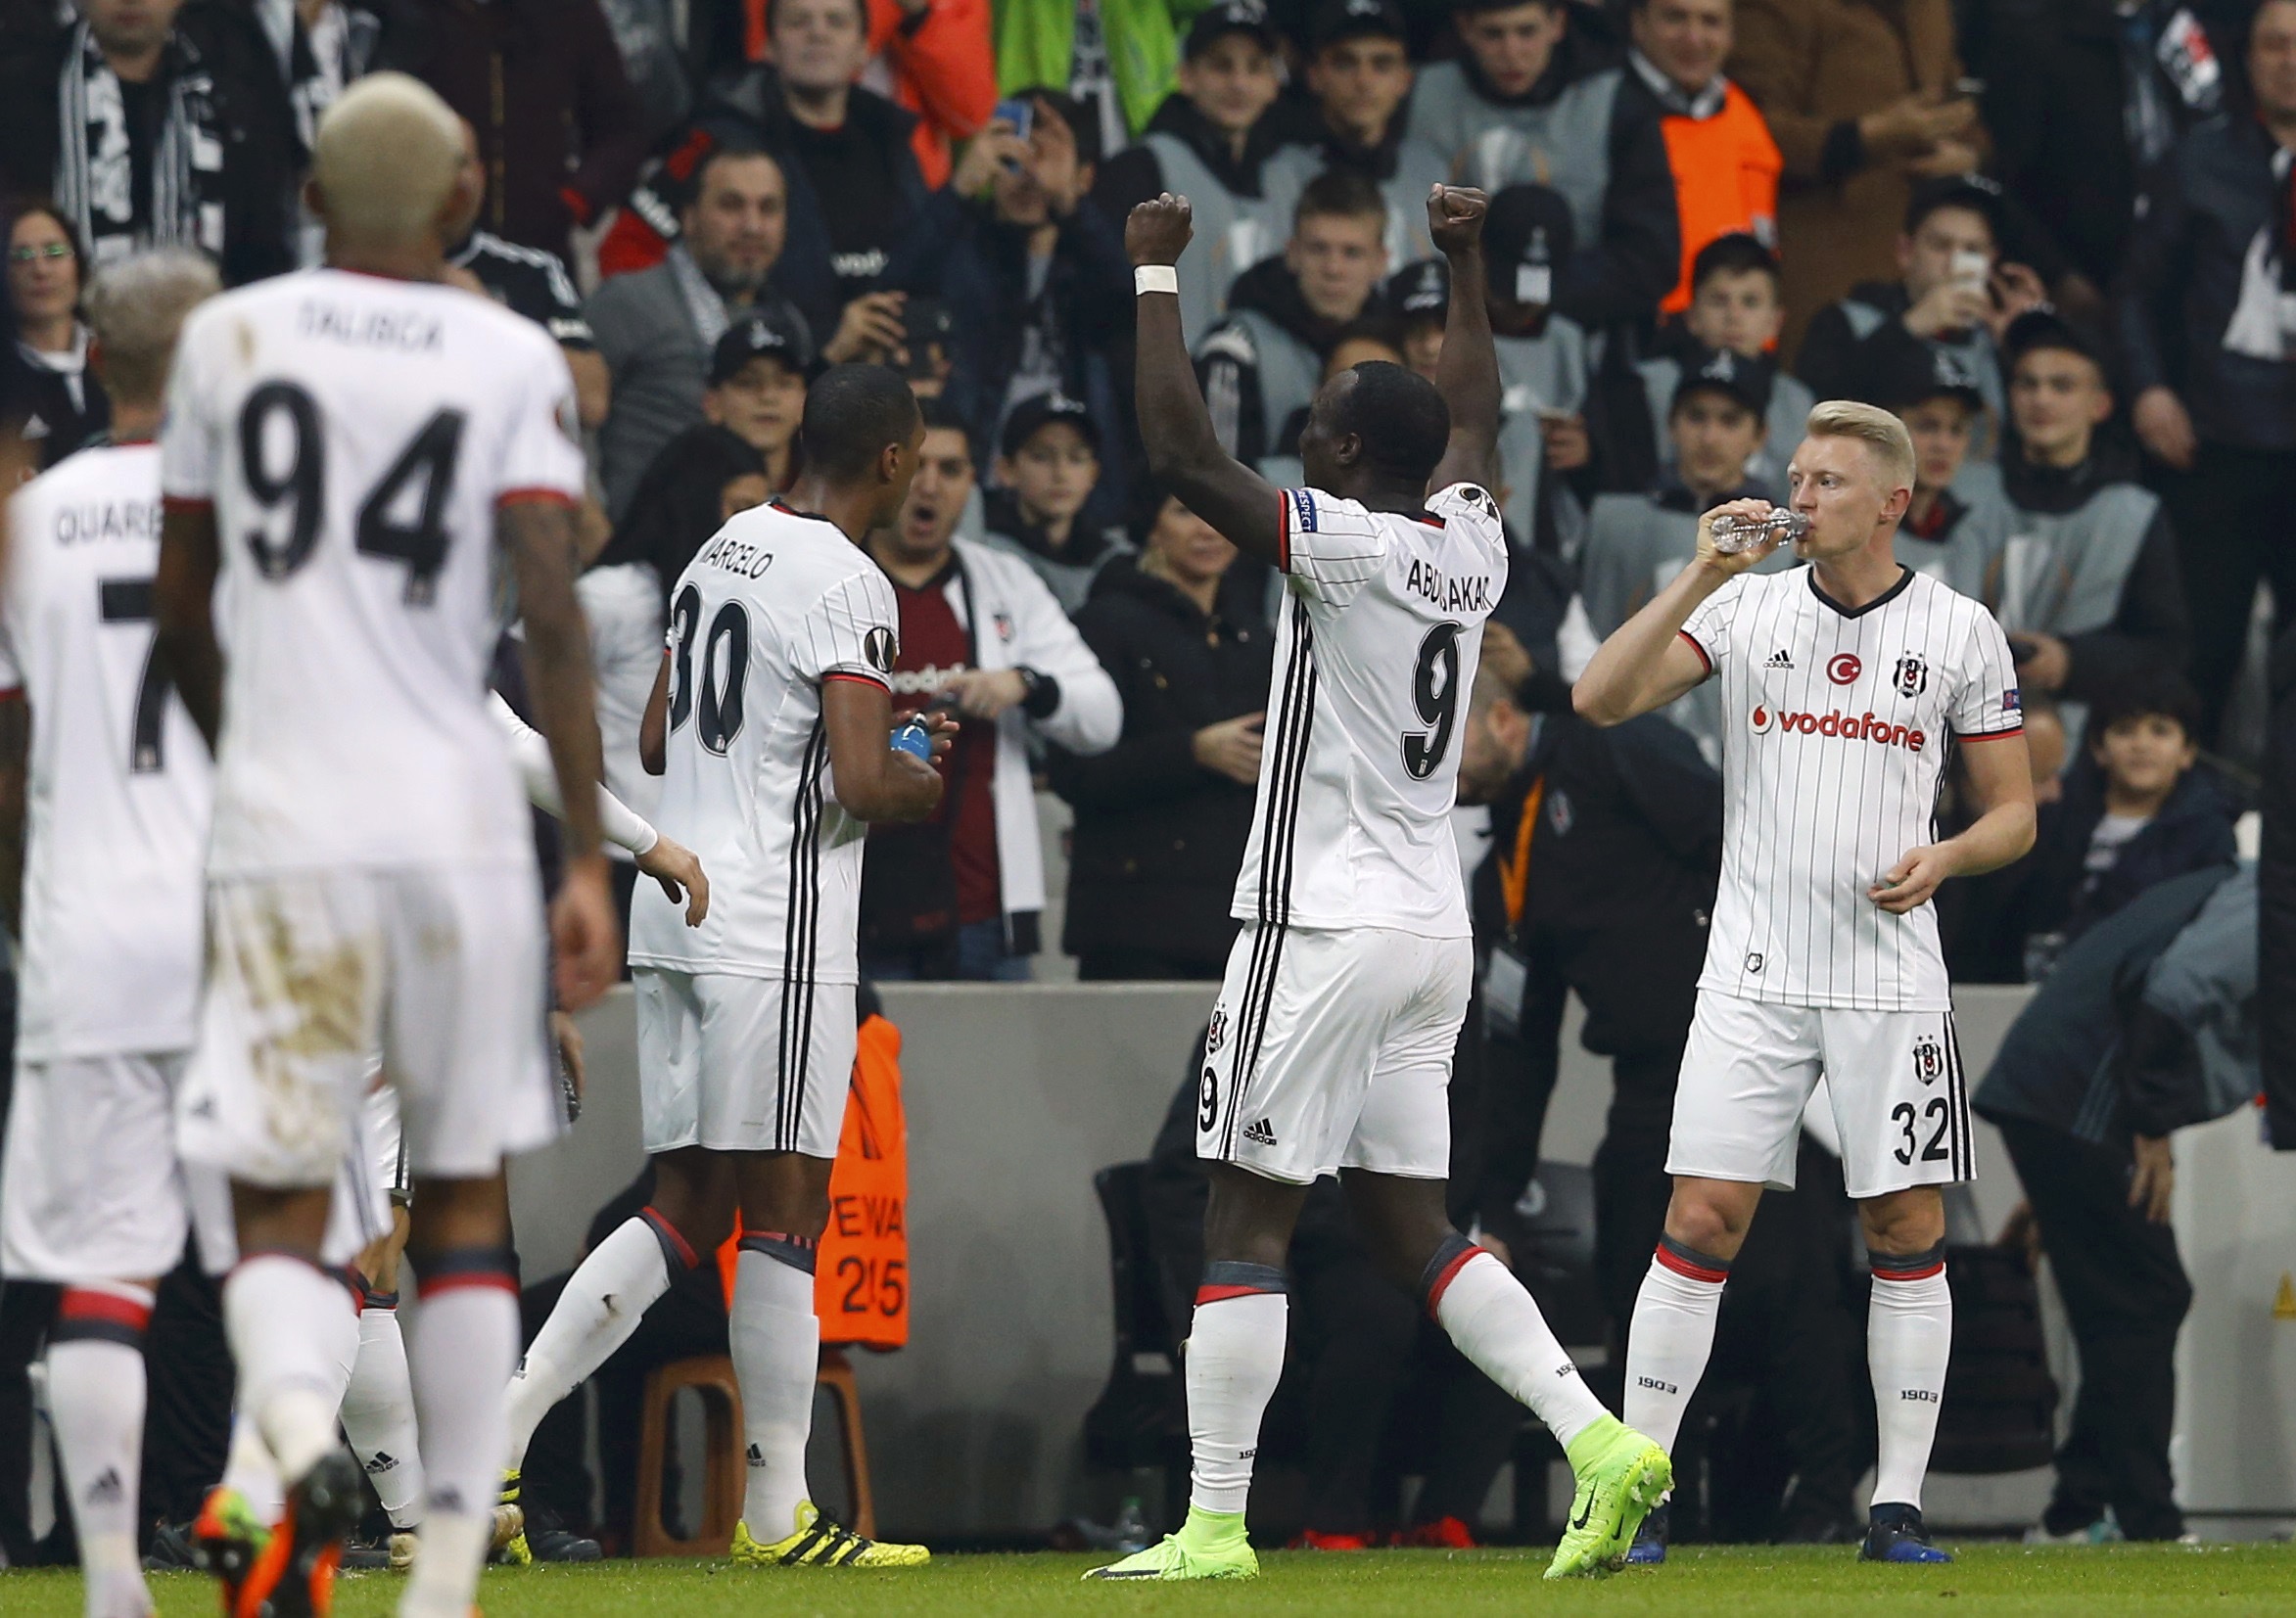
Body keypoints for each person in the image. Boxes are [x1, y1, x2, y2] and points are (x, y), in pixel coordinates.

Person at [1094, 180, 1669, 1584]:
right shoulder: (1471, 545)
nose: (1296, 438)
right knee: (1414, 1223)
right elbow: (1470, 414)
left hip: (1321, 918)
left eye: (1312, 428)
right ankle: (1601, 1443)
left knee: (1245, 1206)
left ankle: (1213, 1524)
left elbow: (1177, 451)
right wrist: (1463, 265)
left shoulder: (1342, 546)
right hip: (1430, 927)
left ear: (1345, 451)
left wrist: (1153, 278)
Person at [151, 74, 621, 1618]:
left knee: (295, 1203)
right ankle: (444, 1572)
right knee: (464, 1203)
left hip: (286, 821)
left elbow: (184, 610)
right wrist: (577, 860)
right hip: (442, 821)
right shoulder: (501, 352)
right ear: (457, 203)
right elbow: (550, 611)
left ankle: (270, 1466)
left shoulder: (227, 342)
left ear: (309, 202)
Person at [1571, 400, 2038, 1563]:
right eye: (1795, 474)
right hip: (1751, 971)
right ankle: (1637, 1489)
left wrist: (1946, 855)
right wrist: (1693, 573)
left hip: (1890, 979)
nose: (1798, 494)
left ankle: (1896, 1508)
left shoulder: (1961, 630)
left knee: (1904, 1224)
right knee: (1699, 1217)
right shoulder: (1743, 608)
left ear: (1892, 500)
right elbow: (1598, 698)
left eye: (1827, 479)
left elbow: (2015, 815)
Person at [500, 362, 947, 1571]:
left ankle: (503, 1428)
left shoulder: (719, 549)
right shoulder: (852, 582)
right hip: (778, 936)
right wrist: (917, 765)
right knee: (785, 1215)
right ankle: (777, 1519)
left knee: (686, 1200)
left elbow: (652, 733)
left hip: (678, 914)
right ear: (896, 462)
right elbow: (857, 786)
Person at [0, 249, 215, 1618]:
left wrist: (32, 912)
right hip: (245, 930)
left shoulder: (33, 519)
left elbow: (9, 754)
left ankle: (112, 1578)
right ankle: (285, 1549)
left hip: (85, 930)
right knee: (289, 1253)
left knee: (101, 1262)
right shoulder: (268, 521)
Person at [1975, 862, 2255, 1544]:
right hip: (2076, 1097)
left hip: (2056, 1097)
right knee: (2147, 1296)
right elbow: (2168, 993)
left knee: (2126, 1305)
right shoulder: (2274, 900)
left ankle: (2077, 1507)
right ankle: (2144, 1519)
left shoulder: (2248, 886)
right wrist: (2151, 1124)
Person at [859, 401, 1121, 981]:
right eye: (915, 466)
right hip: (852, 902)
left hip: (979, 905)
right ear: (883, 471)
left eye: (951, 470)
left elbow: (1103, 717)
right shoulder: (834, 576)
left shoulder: (1005, 581)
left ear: (974, 483)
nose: (929, 487)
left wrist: (1025, 684)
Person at [2115, 0, 2296, 746]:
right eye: (2274, 44)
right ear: (2246, 58)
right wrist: (2149, 390)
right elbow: (2133, 291)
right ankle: (2187, 828)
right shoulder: (2197, 158)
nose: (2289, 58)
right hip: (2211, 448)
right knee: (2201, 652)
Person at [1049, 488, 1273, 980]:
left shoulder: (1258, 639)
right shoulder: (1102, 625)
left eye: (1220, 510)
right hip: (1132, 926)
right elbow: (1072, 772)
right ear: (1149, 525)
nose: (1207, 528)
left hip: (1238, 927)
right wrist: (1192, 753)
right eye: (1184, 511)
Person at [582, 426, 773, 931]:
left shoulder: (752, 609)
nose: (751, 528)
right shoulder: (611, 596)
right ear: (693, 502)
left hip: (713, 862)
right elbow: (527, 708)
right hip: (621, 861)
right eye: (738, 507)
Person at [895, 87, 1132, 489]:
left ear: (1086, 176)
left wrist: (1070, 207)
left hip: (1075, 494)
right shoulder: (959, 249)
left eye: (1044, 159)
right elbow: (891, 291)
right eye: (1012, 159)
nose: (1028, 177)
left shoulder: (1092, 255)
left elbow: (1131, 308)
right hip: (969, 483)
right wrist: (960, 191)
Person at [1403, 0, 1681, 330]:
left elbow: (1651, 257)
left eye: (1527, 31)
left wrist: (1524, 291)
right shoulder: (1417, 94)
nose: (1511, 51)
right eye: (1493, 34)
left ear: (1557, 25)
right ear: (1465, 28)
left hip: (1578, 328)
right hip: (1437, 321)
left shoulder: (1614, 103)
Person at [1724, 0, 1985, 351]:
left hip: (1923, 265)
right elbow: (1749, 129)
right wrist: (1869, 135)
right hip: (1824, 258)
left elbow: (1959, 100)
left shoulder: (1929, 10)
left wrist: (1968, 154)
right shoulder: (1777, 10)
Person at [1577, 347, 1795, 762]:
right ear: (1671, 424)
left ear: (1759, 435)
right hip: (1620, 749)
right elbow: (1582, 640)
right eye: (1696, 417)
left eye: (1730, 421)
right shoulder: (1611, 519)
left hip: (1744, 759)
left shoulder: (1789, 544)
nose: (1710, 437)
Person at [586, 145, 819, 521]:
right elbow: (570, 430)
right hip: (639, 557)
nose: (752, 226)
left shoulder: (789, 323)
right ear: (689, 217)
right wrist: (596, 540)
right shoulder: (627, 302)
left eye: (768, 208)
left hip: (749, 560)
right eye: (731, 205)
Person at [0, 0, 300, 287]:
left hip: (208, 320)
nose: (131, 1)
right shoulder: (21, 94)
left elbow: (264, 238)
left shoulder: (233, 95)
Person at [1983, 313, 2187, 726]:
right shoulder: (1966, 489)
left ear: (2100, 404)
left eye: (2062, 386)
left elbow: (2166, 651)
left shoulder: (2134, 513)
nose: (2041, 400)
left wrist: (2071, 663)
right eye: (2027, 383)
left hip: (2074, 750)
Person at [1975, 0, 2227, 295]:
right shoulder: (2033, 41)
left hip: (2200, 275)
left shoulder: (2198, 29)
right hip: (2090, 283)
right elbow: (2005, 179)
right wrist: (2060, 276)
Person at [370, 0, 645, 264]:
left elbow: (620, 127)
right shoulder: (399, 12)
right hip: (430, 250)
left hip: (538, 251)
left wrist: (577, 198)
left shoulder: (567, 12)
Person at [2006, 672, 2237, 976]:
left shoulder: (2208, 835)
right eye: (2125, 730)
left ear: (2187, 752)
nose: (2141, 745)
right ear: (2098, 748)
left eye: (2160, 731)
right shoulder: (2055, 817)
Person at [1797, 177, 2048, 450]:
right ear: (1906, 251)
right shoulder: (1847, 321)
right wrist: (1907, 329)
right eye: (1941, 246)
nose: (1954, 264)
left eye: (1972, 250)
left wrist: (2024, 343)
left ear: (1992, 261)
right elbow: (1814, 421)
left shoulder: (1997, 338)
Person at [1092, 1, 1288, 342]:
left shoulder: (1289, 173)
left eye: (1255, 67)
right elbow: (1110, 299)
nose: (1239, 83)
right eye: (1221, 66)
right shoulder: (1140, 169)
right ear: (1186, 76)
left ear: (1273, 83)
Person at [1197, 169, 1394, 475]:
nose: (1333, 268)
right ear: (1292, 253)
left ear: (1381, 261)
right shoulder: (1234, 350)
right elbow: (1216, 484)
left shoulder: (1399, 346)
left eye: (1352, 253)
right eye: (1318, 249)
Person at [1260, 0, 1451, 273]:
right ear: (1314, 75)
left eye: (1381, 64)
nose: (1363, 81)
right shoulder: (1279, 175)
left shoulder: (1431, 171)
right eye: (1345, 63)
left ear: (1405, 80)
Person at [1625, 0, 1780, 317]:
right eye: (1675, 17)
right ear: (1638, 23)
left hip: (1734, 344)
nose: (1693, 38)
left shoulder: (1746, 116)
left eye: (1711, 22)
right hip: (1637, 341)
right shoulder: (1597, 110)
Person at [1633, 235, 1812, 497]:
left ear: (1775, 322)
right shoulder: (1645, 386)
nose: (1734, 316)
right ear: (1692, 316)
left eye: (1750, 302)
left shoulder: (1796, 402)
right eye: (1719, 301)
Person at [1479, 184, 1592, 551]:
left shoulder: (1572, 341)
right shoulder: (1439, 329)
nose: (1523, 306)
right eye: (1509, 293)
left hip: (1546, 544)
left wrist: (1585, 457)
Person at [1870, 341, 2008, 596]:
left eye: (1956, 430)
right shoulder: (1853, 524)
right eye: (1926, 426)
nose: (1943, 445)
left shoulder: (1967, 534)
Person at [981, 392, 1134, 615]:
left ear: (1093, 473)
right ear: (1006, 470)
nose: (1061, 474)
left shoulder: (1114, 559)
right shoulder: (982, 550)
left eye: (1076, 458)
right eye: (1041, 457)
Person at [6, 202, 107, 472]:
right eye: (21, 256)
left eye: (54, 252)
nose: (40, 270)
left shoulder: (117, 358)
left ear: (78, 264)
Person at [701, 311, 808, 489]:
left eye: (784, 384)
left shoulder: (832, 494)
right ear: (712, 403)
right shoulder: (680, 498)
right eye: (747, 383)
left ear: (805, 402)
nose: (768, 397)